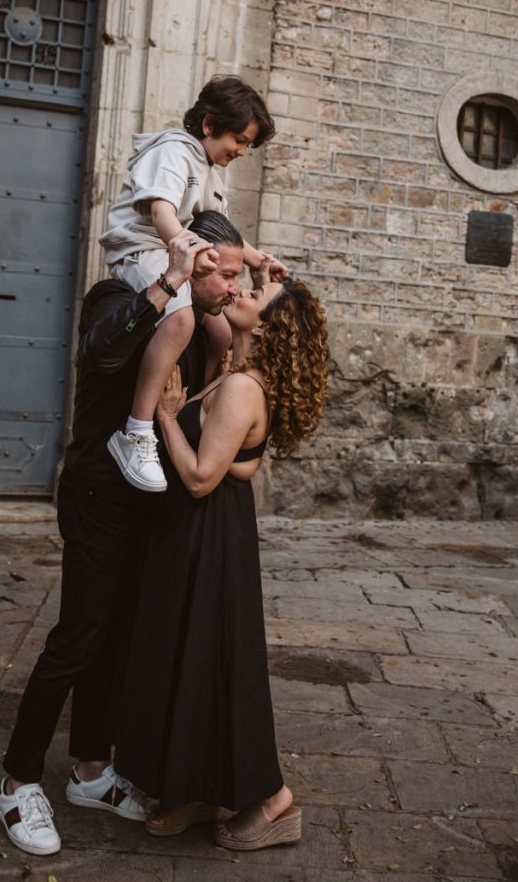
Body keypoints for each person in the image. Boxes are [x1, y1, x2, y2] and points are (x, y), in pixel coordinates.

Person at [0, 212, 247, 856]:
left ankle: (88, 769)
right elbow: (102, 352)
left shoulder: (205, 322)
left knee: (115, 640)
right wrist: (167, 280)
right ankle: (17, 781)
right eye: (224, 273)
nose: (230, 286)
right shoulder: (116, 296)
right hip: (98, 495)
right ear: (191, 258)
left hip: (153, 504)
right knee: (79, 636)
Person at [113, 276, 330, 851]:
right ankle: (199, 791)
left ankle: (274, 801)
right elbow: (238, 465)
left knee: (219, 665)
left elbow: (202, 477)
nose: (241, 291)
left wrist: (163, 416)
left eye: (255, 294)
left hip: (210, 537)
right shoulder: (234, 372)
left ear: (267, 326)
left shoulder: (242, 388)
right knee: (195, 659)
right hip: (199, 535)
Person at [99, 75, 287, 494]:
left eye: (246, 145)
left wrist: (259, 260)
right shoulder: (172, 151)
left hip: (173, 249)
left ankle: (193, 407)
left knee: (219, 329)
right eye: (238, 139)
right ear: (208, 124)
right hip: (142, 248)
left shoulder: (208, 170)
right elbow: (163, 211)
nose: (239, 151)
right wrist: (183, 248)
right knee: (181, 318)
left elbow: (225, 231)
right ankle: (136, 430)